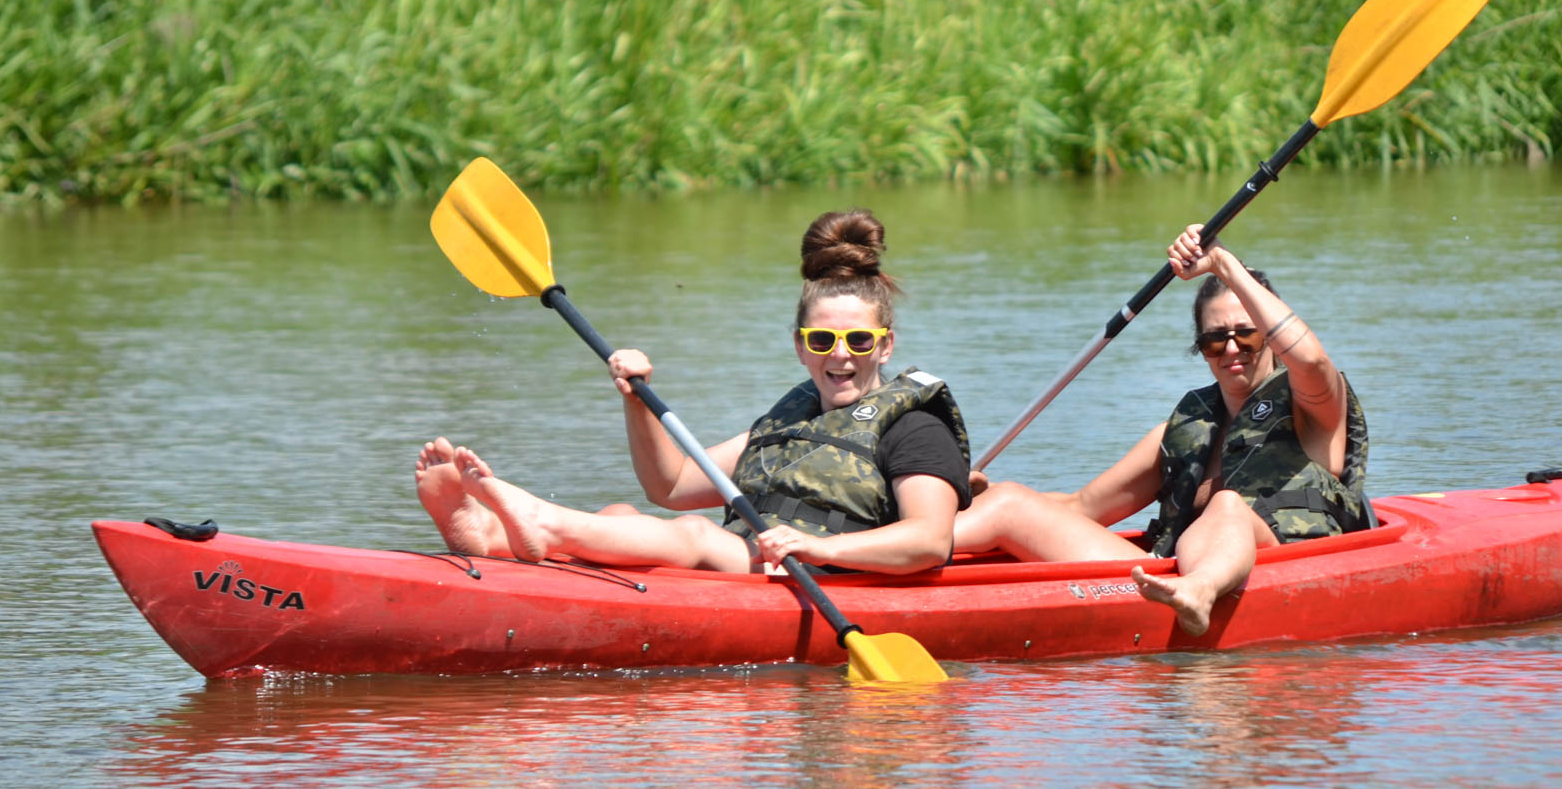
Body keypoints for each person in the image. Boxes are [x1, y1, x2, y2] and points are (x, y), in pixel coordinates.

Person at [413, 210, 973, 575]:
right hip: (767, 565)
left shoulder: (914, 429)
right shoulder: (786, 424)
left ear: (886, 344)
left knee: (695, 536)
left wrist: (816, 546)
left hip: (830, 575)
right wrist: (637, 401)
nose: (840, 354)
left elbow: (927, 542)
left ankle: (542, 522)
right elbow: (673, 485)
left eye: (859, 339)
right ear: (800, 346)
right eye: (823, 338)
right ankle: (490, 536)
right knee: (623, 514)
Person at [951, 223, 1371, 636]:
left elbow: (1311, 361)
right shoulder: (1184, 430)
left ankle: (1201, 591)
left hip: (1284, 574)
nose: (1231, 349)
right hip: (1166, 580)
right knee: (1009, 501)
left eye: (1247, 334)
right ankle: (903, 544)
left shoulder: (1313, 406)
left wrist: (1223, 265)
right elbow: (1081, 508)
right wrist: (973, 499)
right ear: (1201, 348)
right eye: (1214, 339)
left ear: (1271, 336)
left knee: (1227, 504)